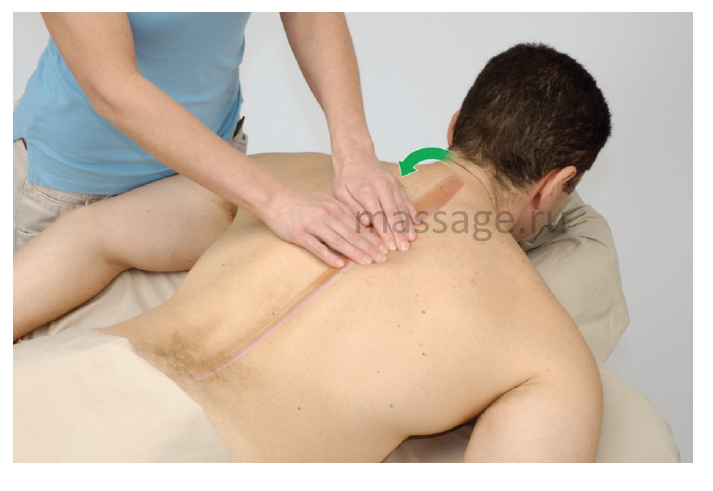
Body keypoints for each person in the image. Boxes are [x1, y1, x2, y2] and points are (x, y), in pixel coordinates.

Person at [15, 43, 608, 462]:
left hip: (54, 378)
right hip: (184, 459)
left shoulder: (281, 181)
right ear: (556, 184)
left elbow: (92, 235)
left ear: (455, 127)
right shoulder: (551, 354)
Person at [13, 13, 417, 270]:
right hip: (75, 187)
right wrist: (275, 199)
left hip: (213, 178)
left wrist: (355, 152)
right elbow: (113, 88)